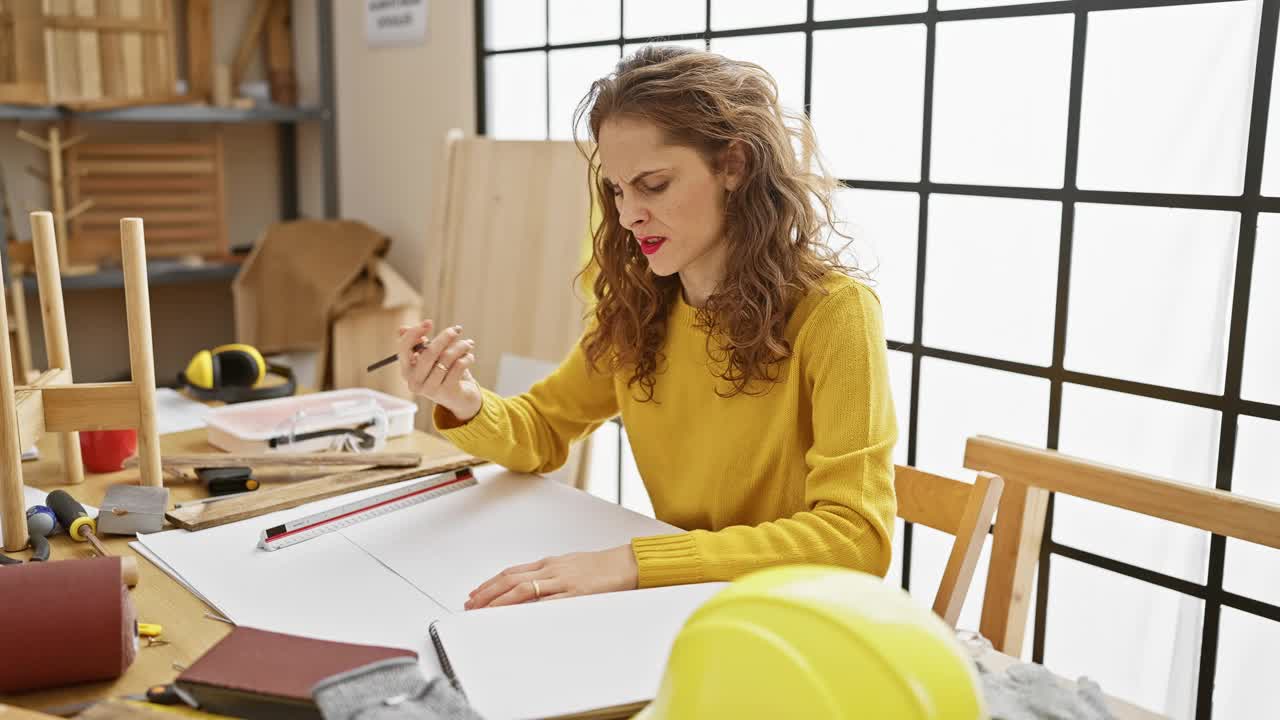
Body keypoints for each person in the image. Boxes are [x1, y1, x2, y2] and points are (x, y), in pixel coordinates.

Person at [396, 46, 897, 611]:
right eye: (616, 188)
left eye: (652, 184)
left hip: (797, 617)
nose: (629, 213)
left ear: (734, 165)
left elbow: (855, 537)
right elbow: (539, 430)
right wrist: (462, 399)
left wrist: (633, 562)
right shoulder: (641, 309)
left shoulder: (834, 312)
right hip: (682, 608)